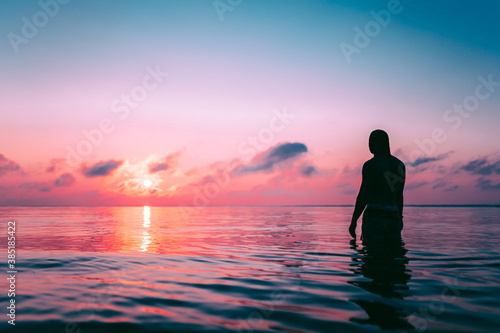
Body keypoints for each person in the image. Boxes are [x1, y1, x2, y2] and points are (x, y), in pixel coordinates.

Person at [348, 129, 405, 247]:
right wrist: (400, 218)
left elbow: (363, 195)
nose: (368, 145)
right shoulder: (400, 166)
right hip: (393, 217)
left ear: (374, 144)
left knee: (372, 258)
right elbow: (399, 196)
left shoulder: (370, 165)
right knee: (393, 259)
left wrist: (354, 221)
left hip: (374, 217)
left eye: (370, 142)